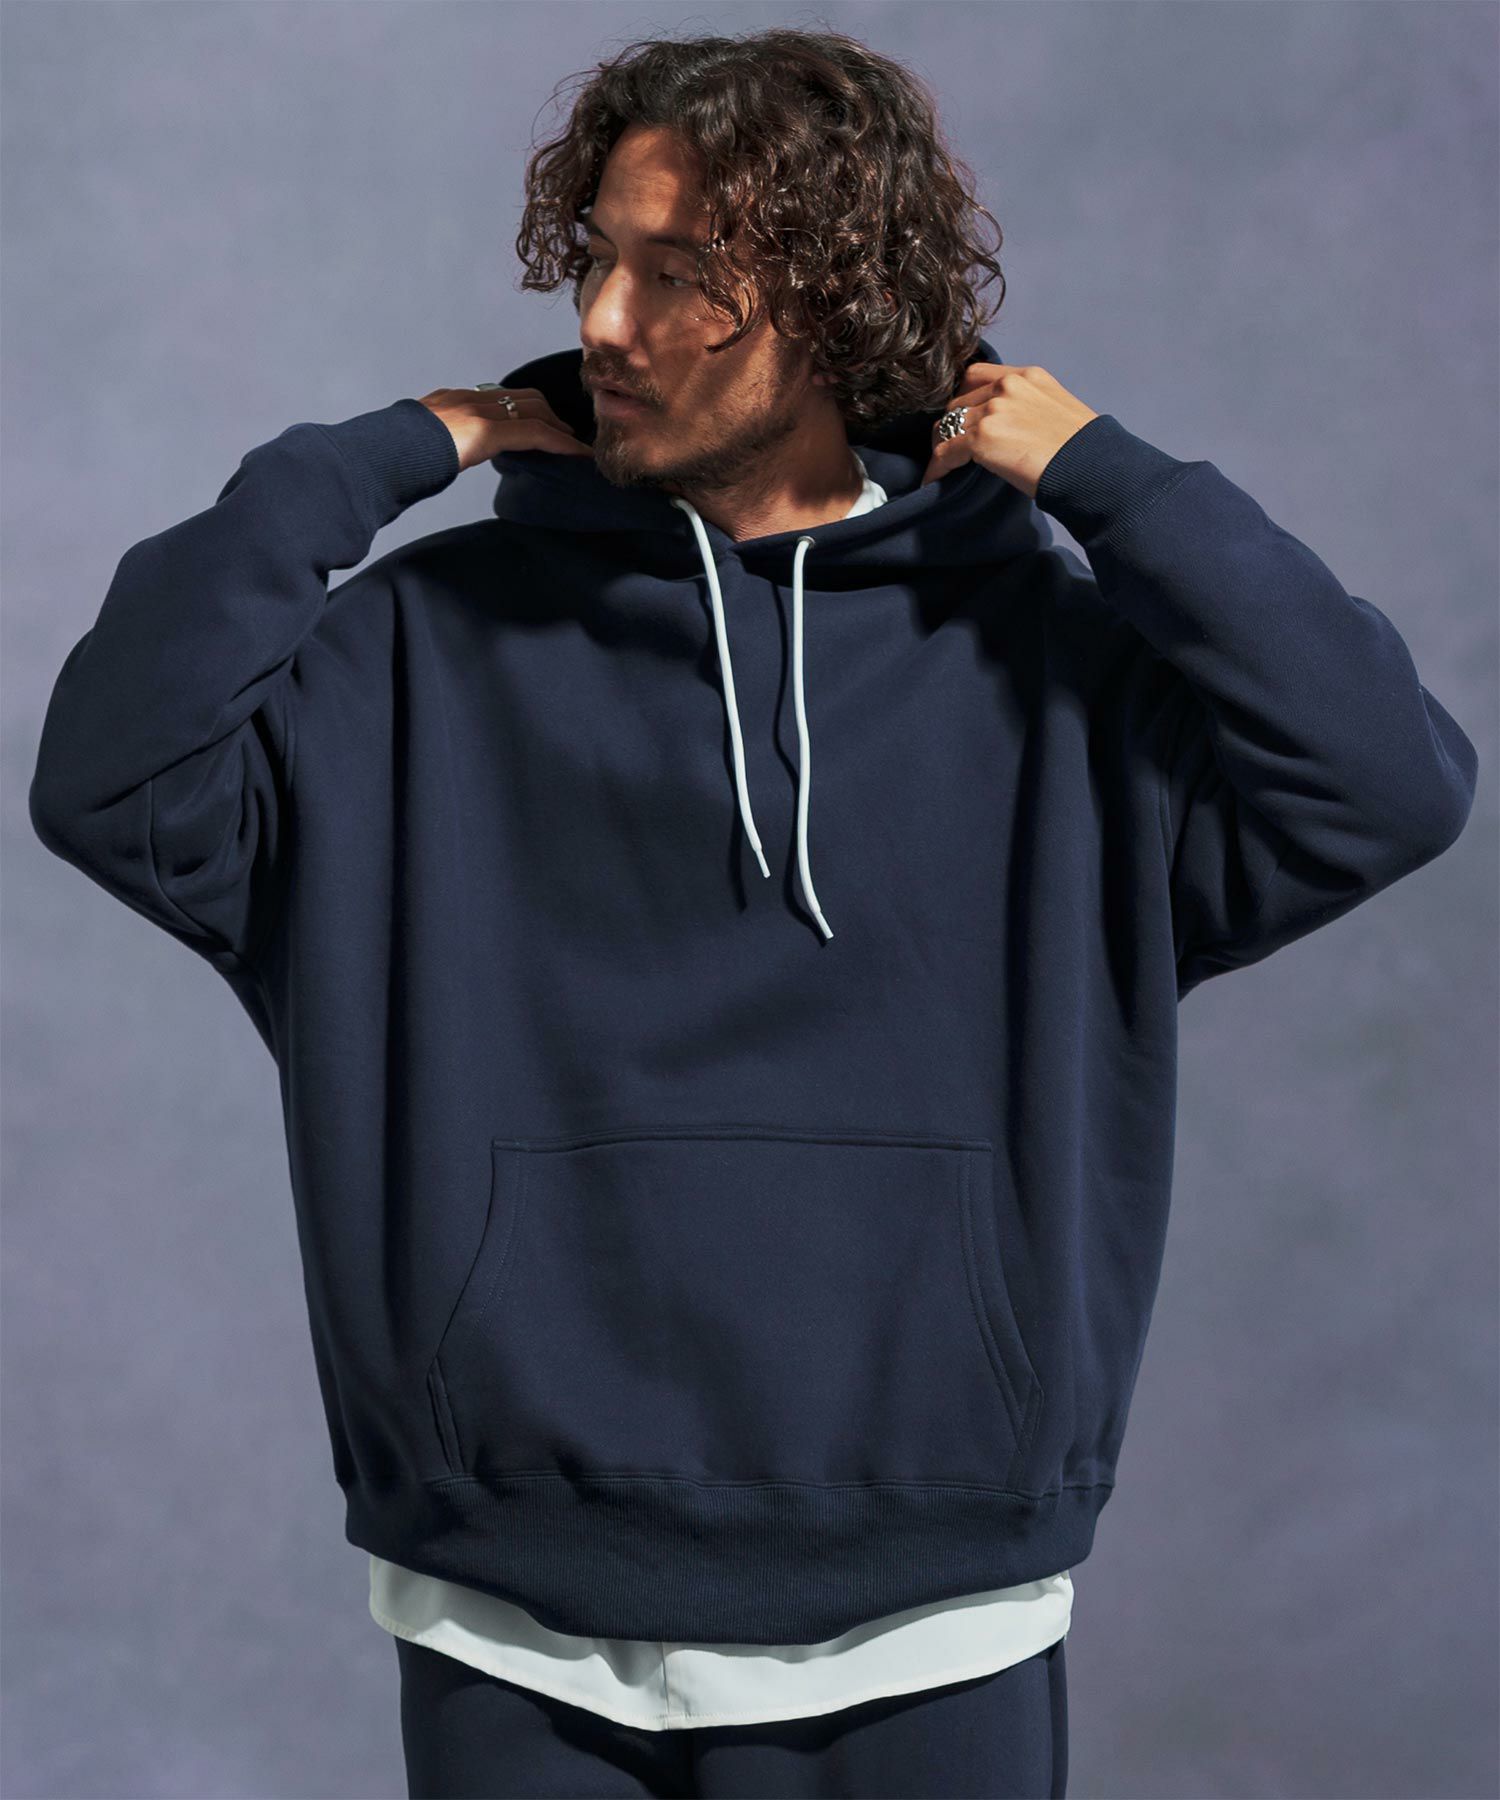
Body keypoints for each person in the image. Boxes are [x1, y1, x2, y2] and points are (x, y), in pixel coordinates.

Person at [27, 25, 1477, 1800]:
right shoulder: (417, 653)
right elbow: (110, 778)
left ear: (839, 303)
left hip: (941, 1608)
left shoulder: (1048, 667)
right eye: (598, 261)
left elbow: (1386, 781)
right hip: (512, 1607)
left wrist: (1121, 485)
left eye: (681, 274)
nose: (605, 322)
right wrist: (382, 455)